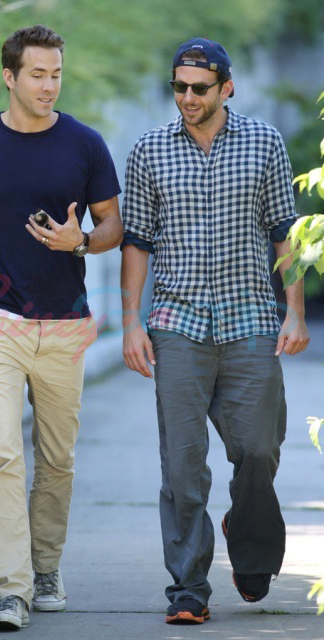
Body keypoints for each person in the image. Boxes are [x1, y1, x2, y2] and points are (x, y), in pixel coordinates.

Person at [0, 24, 122, 632]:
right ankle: (12, 591)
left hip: (63, 325)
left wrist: (80, 241)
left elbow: (114, 226)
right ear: (9, 76)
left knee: (56, 460)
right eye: (37, 74)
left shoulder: (85, 144)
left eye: (56, 74)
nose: (49, 85)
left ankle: (45, 570)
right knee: (3, 455)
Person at [121, 37, 309, 626]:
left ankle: (248, 536)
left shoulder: (264, 142)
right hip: (177, 324)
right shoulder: (149, 150)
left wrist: (295, 312)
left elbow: (285, 232)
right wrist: (131, 324)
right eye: (179, 87)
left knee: (258, 449)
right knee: (182, 465)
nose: (187, 97)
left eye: (199, 88)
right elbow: (137, 242)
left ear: (226, 88)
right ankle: (189, 587)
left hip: (250, 319)